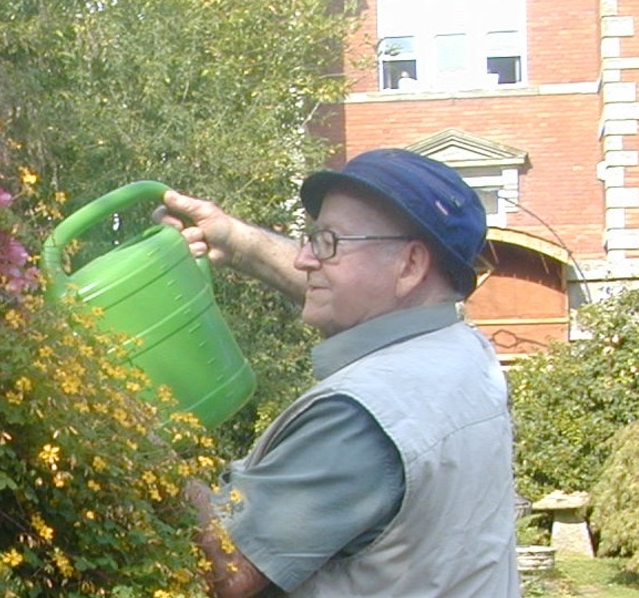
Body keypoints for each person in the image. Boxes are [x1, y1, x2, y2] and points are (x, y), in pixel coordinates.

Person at [157, 148, 520, 597]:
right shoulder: (459, 349)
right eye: (310, 238)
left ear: (409, 265)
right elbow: (359, 298)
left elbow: (230, 568)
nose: (304, 260)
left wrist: (128, 435)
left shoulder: (364, 416)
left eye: (328, 242)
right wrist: (237, 242)